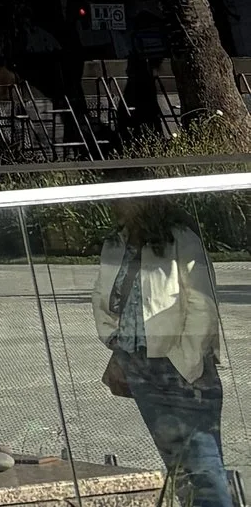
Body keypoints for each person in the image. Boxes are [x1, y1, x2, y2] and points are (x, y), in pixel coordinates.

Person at [94, 201, 227, 507]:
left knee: (203, 462)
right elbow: (102, 296)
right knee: (176, 463)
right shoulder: (117, 243)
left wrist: (186, 362)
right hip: (139, 362)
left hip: (181, 365)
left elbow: (202, 305)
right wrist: (116, 343)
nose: (115, 207)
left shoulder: (180, 239)